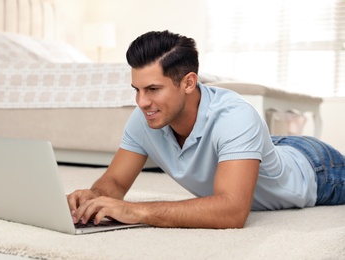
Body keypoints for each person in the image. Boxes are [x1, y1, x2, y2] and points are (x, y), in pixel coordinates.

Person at [67, 30, 345, 229]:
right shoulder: (145, 117)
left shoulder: (235, 117)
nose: (141, 102)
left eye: (153, 89)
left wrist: (136, 211)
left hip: (317, 169)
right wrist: (95, 197)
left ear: (188, 83)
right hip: (261, 148)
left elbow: (232, 212)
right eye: (137, 90)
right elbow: (114, 182)